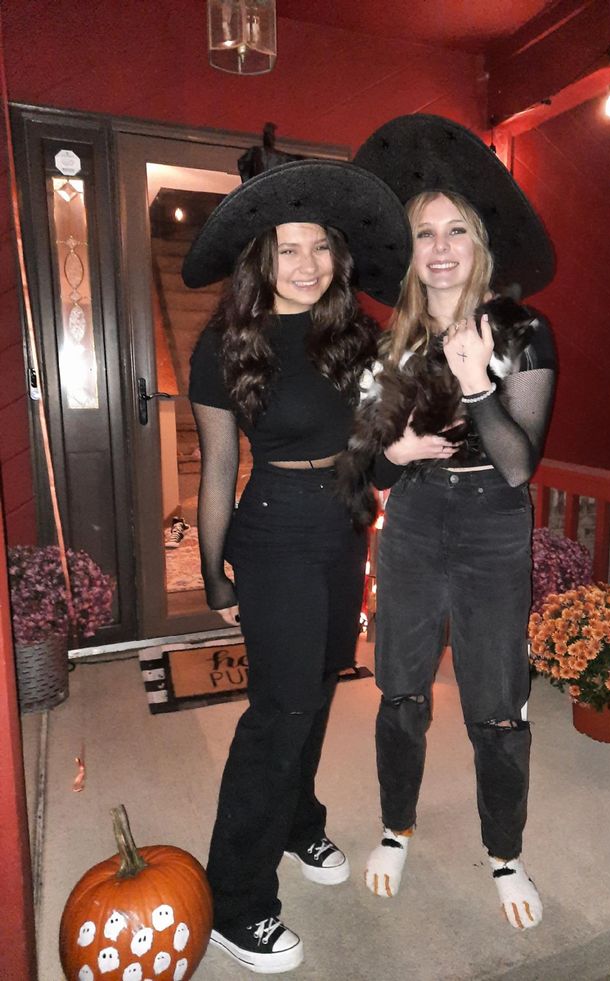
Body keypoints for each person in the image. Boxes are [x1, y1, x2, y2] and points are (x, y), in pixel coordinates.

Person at [182, 159, 413, 974]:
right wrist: (215, 575)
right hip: (274, 529)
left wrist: (403, 448)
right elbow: (216, 471)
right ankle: (235, 899)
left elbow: (374, 461)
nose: (308, 263)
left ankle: (295, 820)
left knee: (316, 690)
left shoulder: (362, 335)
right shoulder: (222, 346)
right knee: (276, 712)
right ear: (260, 256)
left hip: (345, 524)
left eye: (321, 247)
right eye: (289, 248)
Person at [350, 115, 557, 930]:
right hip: (413, 517)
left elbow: (518, 465)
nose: (440, 248)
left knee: (497, 699)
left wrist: (477, 384)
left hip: (493, 520)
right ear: (410, 249)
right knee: (399, 687)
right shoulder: (388, 343)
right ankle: (395, 827)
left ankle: (504, 851)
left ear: (481, 243)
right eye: (424, 233)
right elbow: (369, 469)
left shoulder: (522, 332)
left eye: (457, 231)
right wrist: (395, 450)